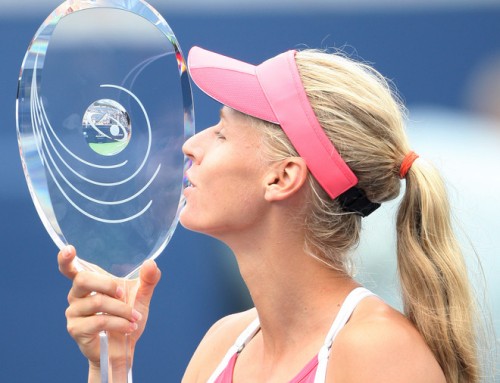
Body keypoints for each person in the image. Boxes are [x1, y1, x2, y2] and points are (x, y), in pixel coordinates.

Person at [58, 45, 480, 382]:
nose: (192, 146)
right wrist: (112, 365)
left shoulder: (380, 355)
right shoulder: (223, 344)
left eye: (221, 131)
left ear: (282, 177)